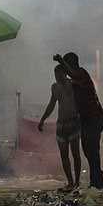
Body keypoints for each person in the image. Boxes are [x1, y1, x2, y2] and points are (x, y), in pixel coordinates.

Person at [54, 52, 103, 190]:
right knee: (88, 150)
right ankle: (96, 180)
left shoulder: (82, 74)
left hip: (94, 117)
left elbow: (74, 74)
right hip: (85, 120)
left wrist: (60, 60)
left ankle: (97, 181)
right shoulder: (74, 82)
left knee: (92, 149)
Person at [37, 64, 81, 192]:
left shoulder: (73, 85)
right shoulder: (55, 87)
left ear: (65, 73)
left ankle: (77, 181)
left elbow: (80, 102)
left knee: (75, 153)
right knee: (64, 155)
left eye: (59, 74)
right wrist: (42, 120)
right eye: (55, 74)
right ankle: (71, 182)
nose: (57, 77)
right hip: (61, 124)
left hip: (73, 122)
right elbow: (52, 104)